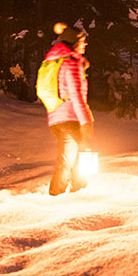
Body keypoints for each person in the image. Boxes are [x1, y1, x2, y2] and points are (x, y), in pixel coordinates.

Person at [43, 22, 94, 195]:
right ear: (74, 43)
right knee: (67, 161)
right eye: (82, 41)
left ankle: (79, 191)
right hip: (69, 119)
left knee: (78, 156)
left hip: (58, 118)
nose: (85, 44)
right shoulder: (71, 64)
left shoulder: (60, 61)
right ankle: (56, 195)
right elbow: (76, 96)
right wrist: (86, 121)